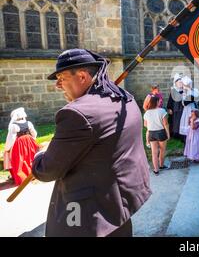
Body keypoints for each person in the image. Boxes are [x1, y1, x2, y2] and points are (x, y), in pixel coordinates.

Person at [31, 48, 151, 237]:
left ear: (82, 76)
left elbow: (48, 170)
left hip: (86, 219)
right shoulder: (124, 98)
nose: (58, 85)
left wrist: (41, 155)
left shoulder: (76, 113)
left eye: (61, 78)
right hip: (120, 208)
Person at [4, 108, 39, 185]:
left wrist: (7, 148)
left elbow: (11, 139)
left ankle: (23, 177)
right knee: (30, 157)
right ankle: (33, 174)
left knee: (20, 160)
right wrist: (31, 140)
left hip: (19, 144)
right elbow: (34, 133)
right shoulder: (28, 123)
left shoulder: (13, 126)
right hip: (29, 140)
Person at [144, 95, 170, 175]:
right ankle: (161, 165)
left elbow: (145, 125)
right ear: (156, 102)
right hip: (161, 133)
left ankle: (156, 170)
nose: (160, 102)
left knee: (154, 153)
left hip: (152, 133)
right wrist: (168, 134)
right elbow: (165, 124)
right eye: (159, 101)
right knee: (162, 150)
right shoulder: (162, 111)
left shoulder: (146, 113)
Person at [166, 74, 185, 142]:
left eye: (181, 82)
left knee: (182, 121)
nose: (180, 83)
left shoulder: (184, 90)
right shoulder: (173, 90)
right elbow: (170, 100)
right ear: (175, 83)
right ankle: (175, 134)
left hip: (183, 108)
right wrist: (169, 108)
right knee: (175, 121)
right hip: (175, 108)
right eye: (178, 82)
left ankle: (182, 134)